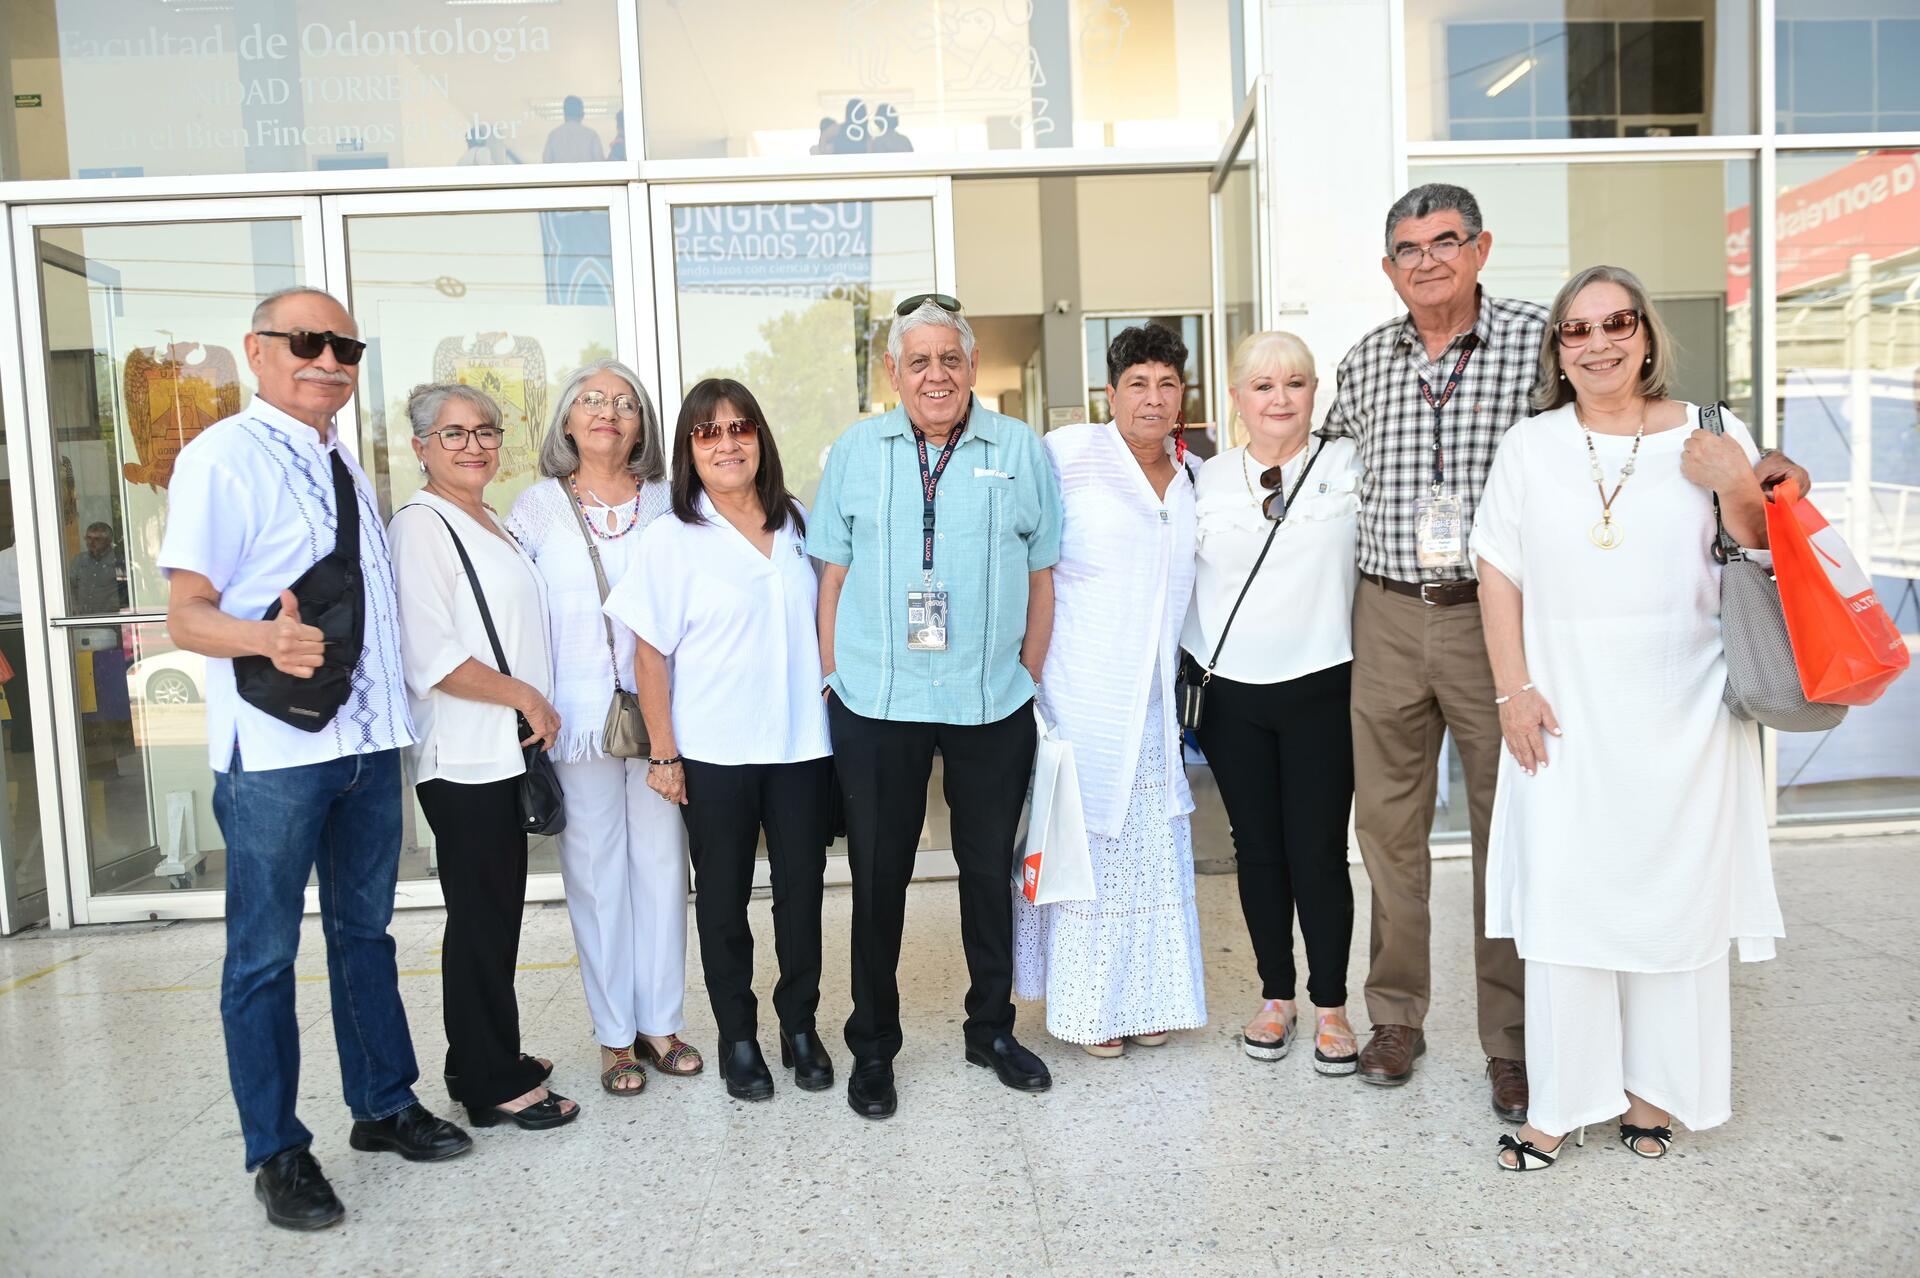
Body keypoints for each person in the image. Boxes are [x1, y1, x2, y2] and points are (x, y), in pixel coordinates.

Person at [1323, 183, 1809, 1120]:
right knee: (1387, 832)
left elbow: (1652, 425)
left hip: (1493, 618)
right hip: (1385, 612)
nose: (1427, 261)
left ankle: (1512, 1043)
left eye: (1446, 242)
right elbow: (1324, 466)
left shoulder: (1532, 338)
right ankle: (1397, 1015)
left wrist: (1772, 473)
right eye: (1408, 249)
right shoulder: (1362, 362)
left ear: (1481, 248)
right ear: (1388, 268)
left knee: (1516, 828)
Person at [159, 288, 470, 1231]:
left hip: (367, 744)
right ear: (257, 351)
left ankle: (381, 1106)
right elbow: (186, 613)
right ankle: (278, 1151)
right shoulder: (221, 459)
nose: (328, 358)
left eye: (345, 344)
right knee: (263, 954)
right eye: (307, 341)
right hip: (279, 752)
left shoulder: (343, 458)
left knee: (365, 934)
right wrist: (263, 642)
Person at [1471, 265, 1784, 1171]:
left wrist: (1735, 484)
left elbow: (1765, 555)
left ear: (1646, 334)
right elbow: (1499, 570)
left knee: (1673, 905)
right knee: (1569, 903)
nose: (1600, 343)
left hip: (1685, 711)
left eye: (1617, 324)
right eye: (1578, 329)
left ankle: (1655, 1097)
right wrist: (1511, 688)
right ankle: (1560, 1106)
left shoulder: (1712, 433)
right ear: (1558, 350)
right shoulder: (1530, 445)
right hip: (1562, 711)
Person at [810, 295, 1062, 1119]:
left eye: (949, 359)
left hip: (991, 700)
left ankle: (989, 1027)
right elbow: (833, 576)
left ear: (972, 365)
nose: (935, 375)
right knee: (879, 877)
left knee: (988, 872)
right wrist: (830, 676)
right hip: (879, 698)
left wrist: (1024, 672)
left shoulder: (1018, 450)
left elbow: (1040, 575)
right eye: (918, 361)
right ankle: (873, 1046)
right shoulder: (856, 449)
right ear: (894, 373)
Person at [606, 378, 835, 1103]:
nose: (728, 444)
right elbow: (649, 657)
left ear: (760, 439)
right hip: (714, 753)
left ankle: (800, 1026)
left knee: (803, 896)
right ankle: (739, 1036)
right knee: (723, 900)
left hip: (803, 746)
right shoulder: (671, 538)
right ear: (689, 452)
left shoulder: (798, 521)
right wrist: (665, 754)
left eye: (740, 429)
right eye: (709, 434)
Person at [507, 360, 702, 1096]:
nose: (608, 413)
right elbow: (517, 613)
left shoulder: (670, 503)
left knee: (660, 869)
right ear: (566, 420)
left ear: (643, 426)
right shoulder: (534, 509)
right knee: (593, 877)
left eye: (625, 404)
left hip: (661, 716)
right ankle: (614, 1035)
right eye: (592, 400)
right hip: (577, 719)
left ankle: (661, 1023)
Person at [1012, 324, 1206, 1055]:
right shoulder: (1068, 455)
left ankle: (1147, 998)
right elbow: (1022, 550)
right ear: (1110, 392)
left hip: (1154, 703)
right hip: (1079, 692)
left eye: (1166, 384)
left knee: (1150, 851)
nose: (1152, 399)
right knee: (1084, 851)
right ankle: (1089, 1008)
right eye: (1137, 384)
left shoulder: (1190, 477)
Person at [389, 383, 577, 1133]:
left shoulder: (488, 519)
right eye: (454, 433)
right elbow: (430, 656)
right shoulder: (420, 527)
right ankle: (492, 1084)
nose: (474, 445)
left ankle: (481, 1058)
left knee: (495, 917)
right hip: (465, 755)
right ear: (420, 447)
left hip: (501, 752)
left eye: (486, 431)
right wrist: (527, 698)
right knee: (480, 919)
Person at [1185, 331, 1361, 1072]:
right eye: (1262, 386)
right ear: (1236, 399)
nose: (1279, 398)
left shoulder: (1350, 464)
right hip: (1232, 694)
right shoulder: (1202, 478)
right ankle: (1274, 995)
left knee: (1317, 852)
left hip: (1325, 682)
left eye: (1294, 383)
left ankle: (1331, 1006)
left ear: (1314, 391)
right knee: (1255, 850)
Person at [67, 521, 128, 614]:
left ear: (108, 540)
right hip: (82, 619)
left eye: (97, 539)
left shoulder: (119, 561)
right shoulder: (79, 560)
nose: (91, 542)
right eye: (88, 538)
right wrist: (74, 607)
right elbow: (70, 587)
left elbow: (127, 593)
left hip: (111, 619)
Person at [542, 95, 605, 164]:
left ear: (565, 113)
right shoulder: (592, 135)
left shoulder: (553, 135)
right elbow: (600, 162)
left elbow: (546, 162)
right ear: (582, 114)